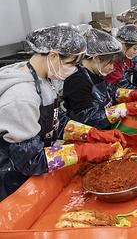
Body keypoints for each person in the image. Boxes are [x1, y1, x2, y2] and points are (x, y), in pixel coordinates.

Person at [0, 25, 118, 200]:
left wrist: (91, 134)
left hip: (37, 171)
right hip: (14, 182)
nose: (75, 69)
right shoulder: (22, 96)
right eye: (71, 63)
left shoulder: (44, 79)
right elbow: (31, 160)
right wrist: (81, 151)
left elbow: (57, 122)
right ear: (53, 56)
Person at [63, 28, 137, 130]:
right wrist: (122, 109)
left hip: (107, 129)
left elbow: (111, 91)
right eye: (110, 63)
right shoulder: (77, 81)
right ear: (96, 58)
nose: (112, 67)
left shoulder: (97, 73)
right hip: (92, 136)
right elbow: (88, 119)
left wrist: (132, 94)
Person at [104, 24, 137, 95]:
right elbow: (123, 87)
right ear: (123, 44)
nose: (136, 52)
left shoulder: (126, 59)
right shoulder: (112, 65)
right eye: (135, 48)